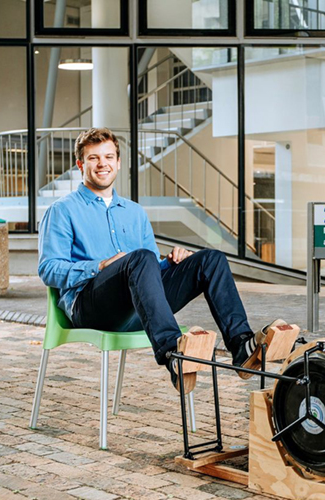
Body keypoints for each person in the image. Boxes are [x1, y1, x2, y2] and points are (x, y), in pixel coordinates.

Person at [38, 127, 282, 390]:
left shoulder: (135, 212)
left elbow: (147, 269)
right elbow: (48, 269)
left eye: (108, 157)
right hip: (91, 307)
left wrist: (171, 263)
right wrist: (100, 266)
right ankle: (173, 355)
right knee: (139, 257)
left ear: (118, 163)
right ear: (80, 164)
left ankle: (241, 346)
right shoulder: (62, 210)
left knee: (210, 260)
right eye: (93, 158)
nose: (102, 164)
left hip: (137, 307)